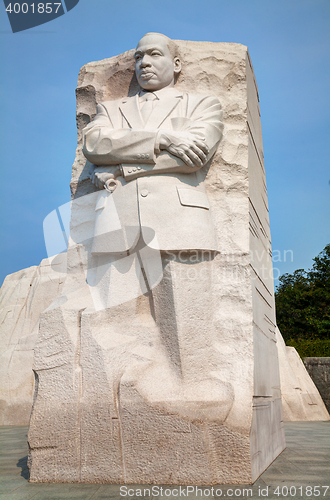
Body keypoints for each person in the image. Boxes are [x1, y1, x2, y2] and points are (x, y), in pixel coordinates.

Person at [82, 33, 233, 422]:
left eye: (154, 54)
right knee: (112, 323)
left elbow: (195, 156)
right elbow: (95, 146)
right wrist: (163, 138)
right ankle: (112, 406)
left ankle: (195, 401)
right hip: (117, 225)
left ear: (176, 64)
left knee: (187, 320)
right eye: (138, 57)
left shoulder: (202, 103)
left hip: (180, 220)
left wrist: (124, 167)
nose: (144, 63)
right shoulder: (112, 110)